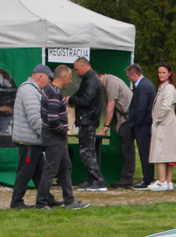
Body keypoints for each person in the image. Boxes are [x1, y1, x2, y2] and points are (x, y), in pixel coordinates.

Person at [36, 65, 88, 210]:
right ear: (63, 77)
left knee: (66, 167)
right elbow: (52, 119)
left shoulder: (49, 89)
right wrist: (63, 129)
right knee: (51, 169)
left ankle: (69, 201)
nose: (70, 82)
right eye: (69, 78)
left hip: (53, 136)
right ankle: (41, 203)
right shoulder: (55, 93)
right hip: (54, 136)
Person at [9, 64, 50, 209]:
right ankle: (16, 201)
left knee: (39, 172)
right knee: (25, 173)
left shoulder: (29, 89)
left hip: (32, 140)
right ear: (40, 76)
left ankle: (46, 198)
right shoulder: (30, 91)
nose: (49, 82)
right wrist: (46, 136)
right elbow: (34, 118)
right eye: (48, 79)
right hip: (29, 141)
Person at [68, 57, 105, 191]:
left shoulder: (92, 80)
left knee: (86, 151)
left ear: (84, 66)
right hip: (87, 119)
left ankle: (98, 180)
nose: (76, 72)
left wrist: (71, 99)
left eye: (77, 69)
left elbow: (86, 100)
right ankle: (91, 179)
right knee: (87, 151)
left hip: (88, 120)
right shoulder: (90, 79)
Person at [148, 62, 176, 192]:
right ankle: (168, 181)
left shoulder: (169, 88)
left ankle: (163, 180)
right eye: (159, 72)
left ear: (169, 73)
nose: (161, 75)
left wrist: (157, 120)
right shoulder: (163, 87)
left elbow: (165, 106)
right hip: (165, 123)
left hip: (164, 123)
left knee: (161, 152)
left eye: (164, 72)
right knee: (167, 152)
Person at [100, 70, 134, 188]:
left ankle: (127, 178)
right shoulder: (110, 80)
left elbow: (111, 104)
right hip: (125, 119)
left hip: (126, 120)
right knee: (126, 149)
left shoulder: (111, 83)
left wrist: (106, 126)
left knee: (127, 149)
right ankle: (126, 177)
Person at [126, 64, 156, 189]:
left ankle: (148, 179)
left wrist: (135, 123)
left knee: (145, 153)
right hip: (144, 124)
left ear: (134, 75)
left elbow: (141, 108)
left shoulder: (143, 87)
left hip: (143, 126)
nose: (129, 79)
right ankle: (148, 178)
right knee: (145, 152)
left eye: (129, 77)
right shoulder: (146, 84)